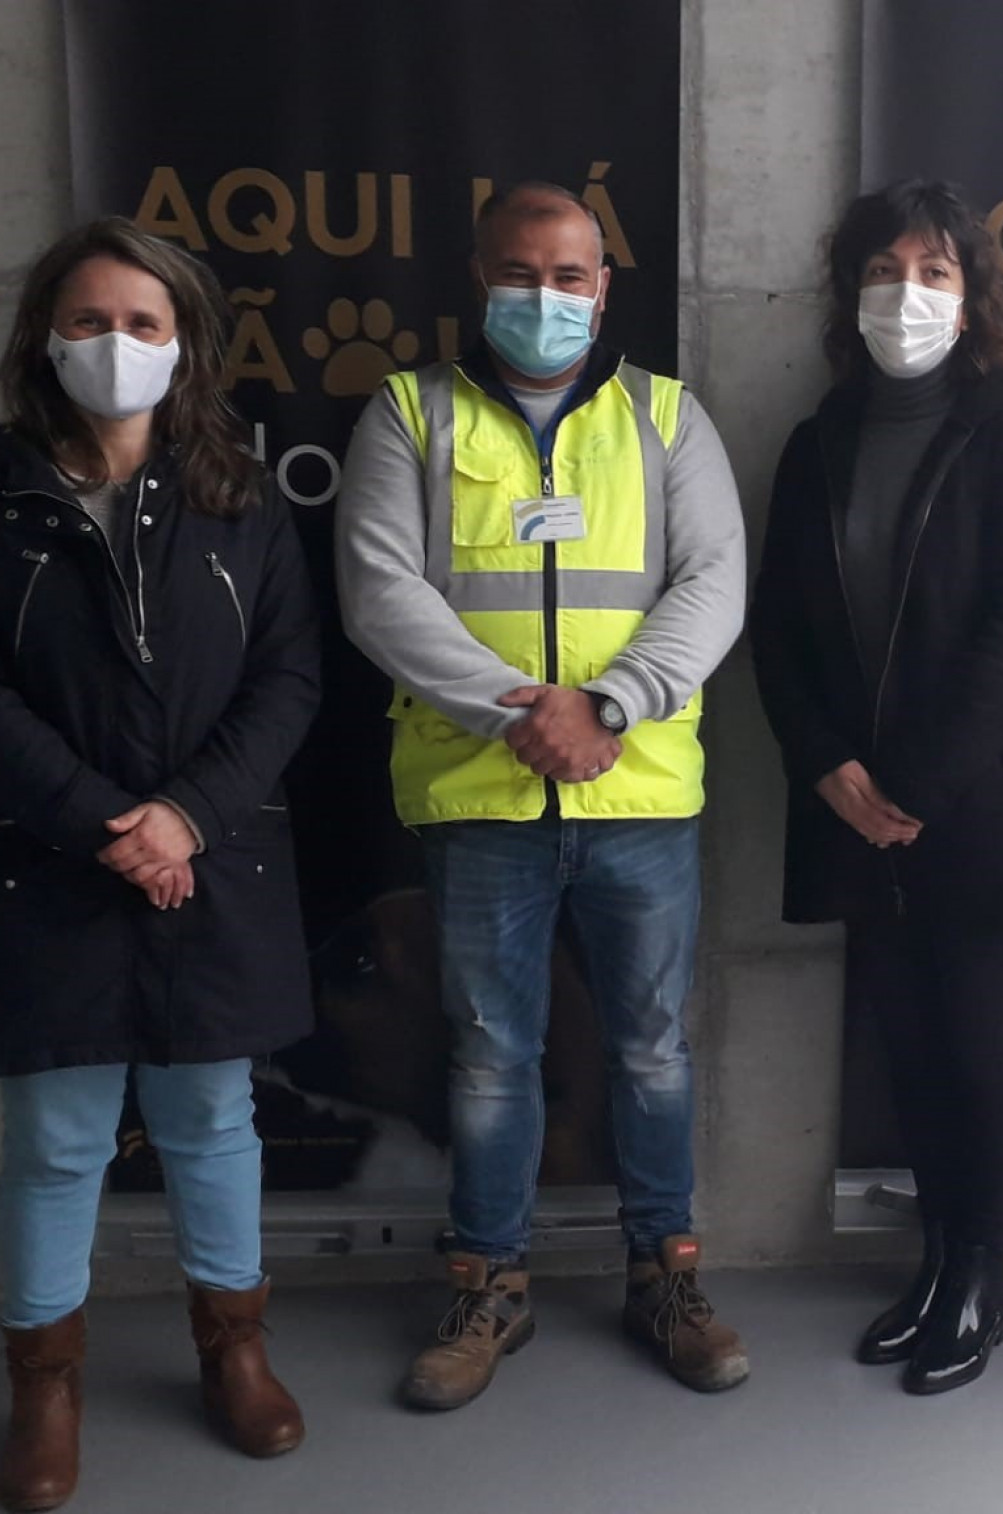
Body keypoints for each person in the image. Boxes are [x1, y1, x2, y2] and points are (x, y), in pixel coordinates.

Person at [0, 218, 321, 1508]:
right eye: (87, 320)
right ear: (44, 335)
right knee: (56, 1137)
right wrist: (105, 823)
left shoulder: (239, 490)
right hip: (45, 862)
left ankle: (235, 1348)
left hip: (211, 857)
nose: (115, 343)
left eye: (143, 322)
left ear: (183, 341)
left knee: (212, 1121)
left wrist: (183, 817)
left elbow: (287, 678)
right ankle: (44, 1385)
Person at [335, 181, 748, 1410]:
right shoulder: (408, 411)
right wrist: (522, 715)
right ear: (480, 278)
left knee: (651, 1049)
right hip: (480, 798)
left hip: (638, 797)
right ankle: (487, 1286)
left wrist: (606, 706)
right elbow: (379, 592)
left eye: (568, 276)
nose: (544, 296)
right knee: (486, 1056)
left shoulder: (665, 417)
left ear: (602, 289)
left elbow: (713, 583)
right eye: (519, 273)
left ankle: (665, 1275)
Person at [749, 178, 1003, 1395]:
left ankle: (980, 1276)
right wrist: (826, 766)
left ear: (970, 295)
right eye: (883, 270)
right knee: (910, 1045)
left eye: (933, 272)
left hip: (971, 801)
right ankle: (935, 1259)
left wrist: (913, 784)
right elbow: (777, 629)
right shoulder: (815, 440)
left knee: (984, 1046)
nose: (906, 293)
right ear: (849, 292)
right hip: (853, 804)